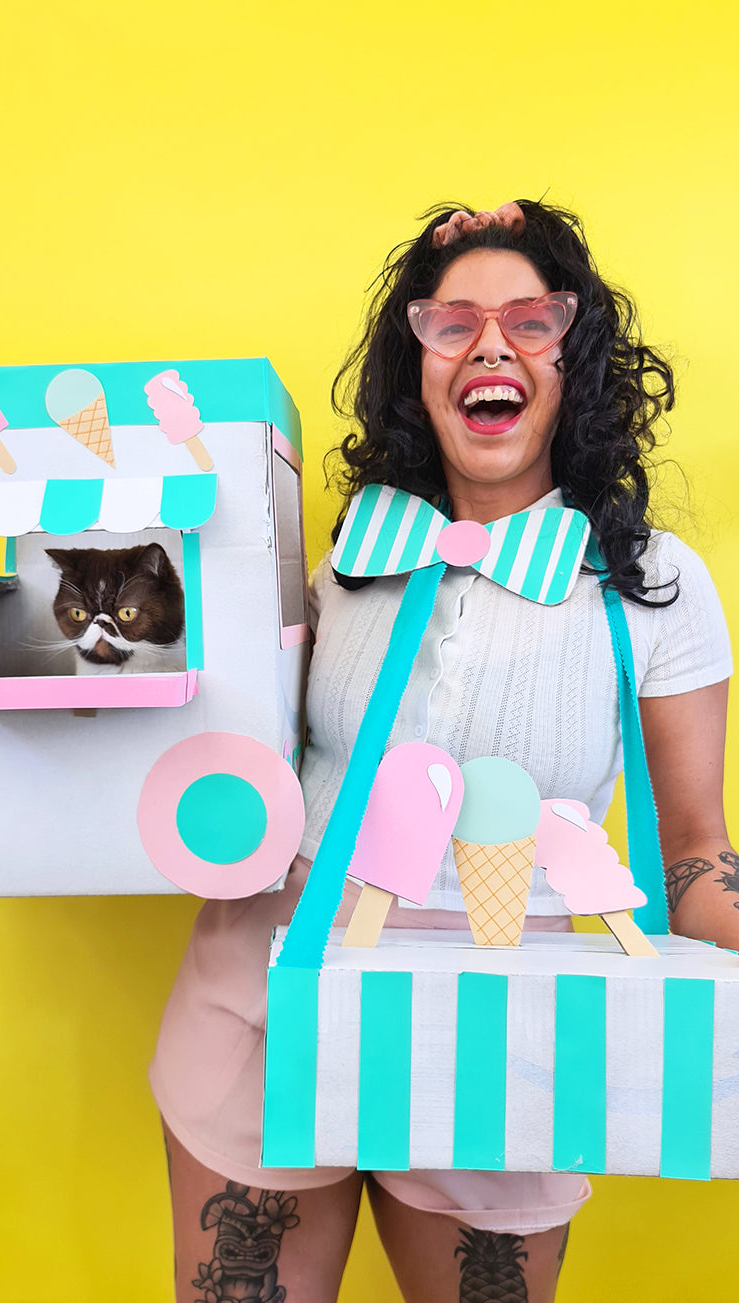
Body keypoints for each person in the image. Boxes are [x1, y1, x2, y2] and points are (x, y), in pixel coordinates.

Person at [149, 200, 736, 1303]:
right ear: (415, 365)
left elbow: (697, 849)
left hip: (505, 1027)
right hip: (271, 987)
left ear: (576, 355)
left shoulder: (654, 582)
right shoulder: (343, 562)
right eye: (451, 322)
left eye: (528, 318)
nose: (490, 345)